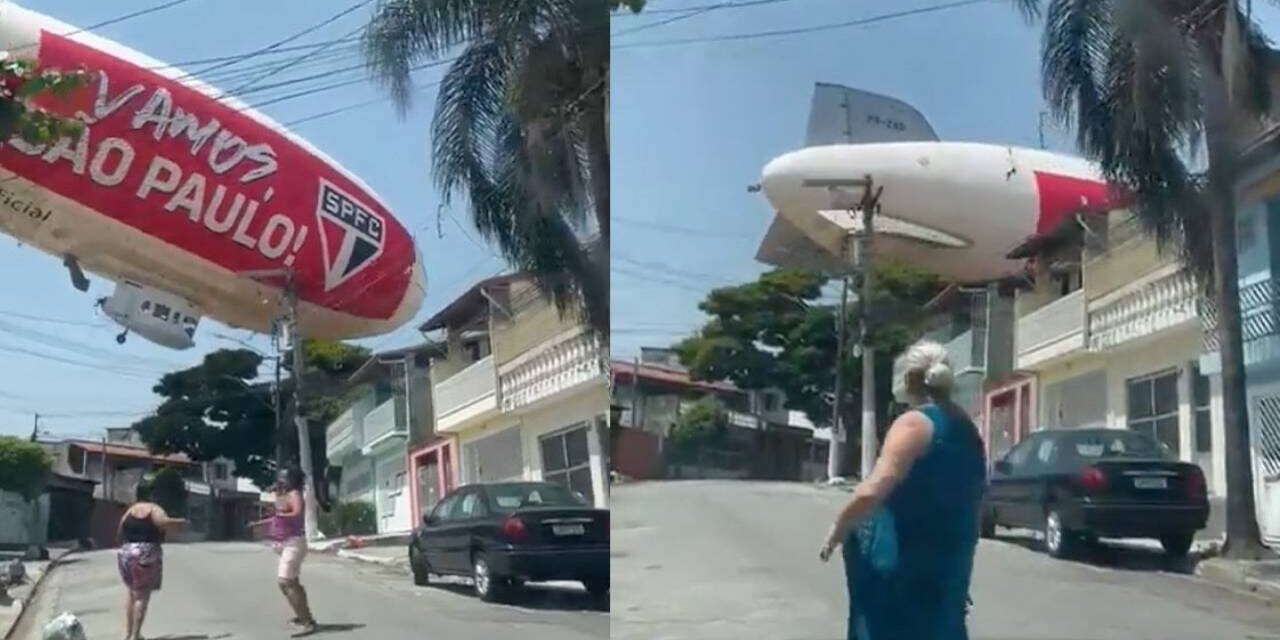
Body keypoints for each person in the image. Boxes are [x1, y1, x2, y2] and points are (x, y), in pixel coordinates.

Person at [818, 341, 986, 640]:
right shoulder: (968, 429)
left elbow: (873, 490)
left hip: (903, 565)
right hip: (950, 564)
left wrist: (838, 528)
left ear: (909, 380)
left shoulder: (913, 424)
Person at [116, 475, 186, 640]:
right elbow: (163, 522)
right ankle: (135, 635)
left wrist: (124, 547)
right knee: (141, 595)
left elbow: (119, 531)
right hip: (145, 553)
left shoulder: (130, 510)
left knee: (131, 593)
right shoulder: (155, 509)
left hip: (126, 552)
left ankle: (128, 633)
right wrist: (181, 522)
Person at [251, 467, 317, 637]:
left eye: (284, 478)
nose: (280, 481)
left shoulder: (295, 493)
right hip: (286, 543)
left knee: (285, 582)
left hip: (293, 543)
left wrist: (280, 516)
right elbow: (279, 514)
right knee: (292, 582)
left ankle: (307, 622)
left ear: (292, 480)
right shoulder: (284, 494)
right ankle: (304, 616)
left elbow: (297, 512)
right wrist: (261, 522)